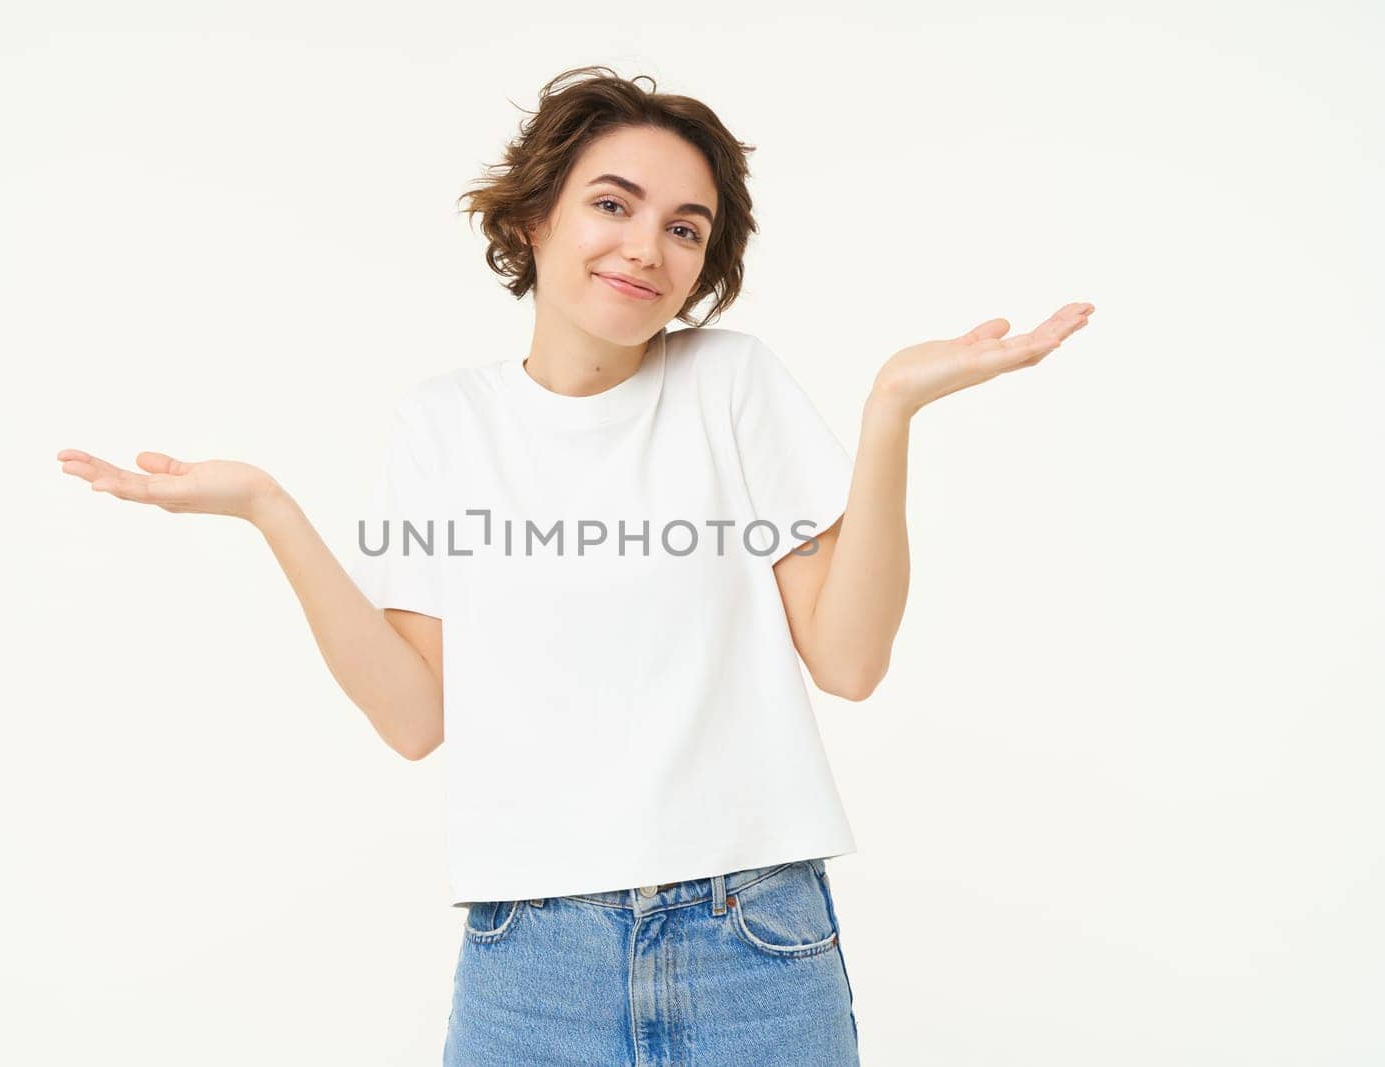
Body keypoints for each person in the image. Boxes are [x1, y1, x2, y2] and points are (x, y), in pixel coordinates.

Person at [56, 65, 1094, 1066]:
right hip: (531, 961)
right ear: (530, 219)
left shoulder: (730, 383)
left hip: (755, 941)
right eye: (614, 204)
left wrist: (889, 414)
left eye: (684, 228)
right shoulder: (444, 423)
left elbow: (851, 657)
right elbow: (415, 716)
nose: (649, 246)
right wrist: (270, 510)